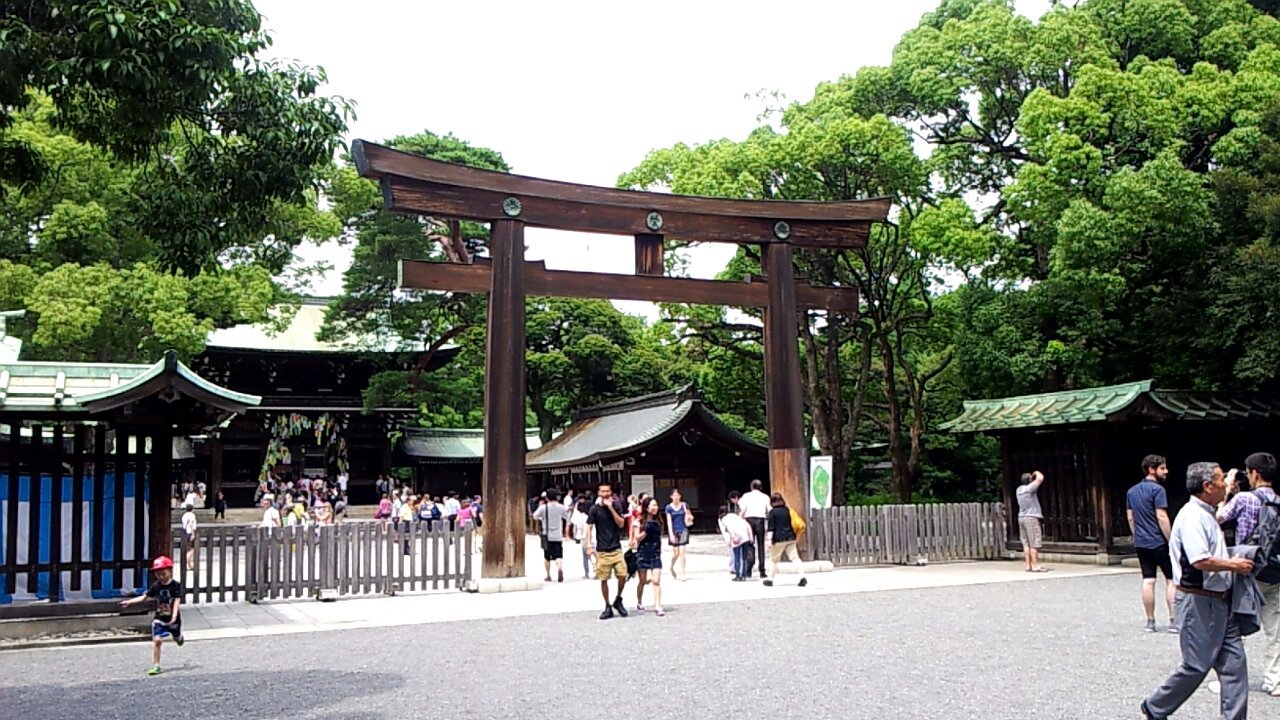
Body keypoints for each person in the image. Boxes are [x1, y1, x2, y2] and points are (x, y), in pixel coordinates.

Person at [1141, 462, 1253, 720]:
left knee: (1235, 666)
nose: (1225, 483)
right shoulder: (1192, 517)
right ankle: (1155, 707)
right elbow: (1199, 560)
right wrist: (1233, 564)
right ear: (1207, 486)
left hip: (1220, 600)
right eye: (1221, 479)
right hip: (1198, 600)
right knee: (1196, 664)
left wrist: (1230, 490)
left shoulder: (1207, 512)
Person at [1219, 452, 1280, 695]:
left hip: (1245, 568)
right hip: (1273, 570)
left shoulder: (1244, 498)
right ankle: (1274, 680)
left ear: (1254, 473)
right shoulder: (1277, 501)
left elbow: (1218, 518)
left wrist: (1227, 491)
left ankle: (1231, 679)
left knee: (1233, 627)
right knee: (1275, 628)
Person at [1128, 454, 1175, 632]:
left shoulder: (1132, 491)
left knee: (1148, 580)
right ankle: (1173, 620)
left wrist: (1137, 535)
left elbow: (1130, 517)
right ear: (1151, 470)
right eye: (1162, 468)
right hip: (1159, 541)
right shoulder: (1158, 490)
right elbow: (1161, 516)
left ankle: (1150, 621)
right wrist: (1171, 539)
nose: (1166, 471)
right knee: (1171, 580)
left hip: (1141, 542)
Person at [120, 555, 185, 676]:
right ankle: (156, 665)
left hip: (173, 618)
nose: (161, 577)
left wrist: (174, 616)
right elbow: (145, 597)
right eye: (158, 574)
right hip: (159, 617)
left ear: (170, 571)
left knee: (176, 637)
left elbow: (177, 601)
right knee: (157, 640)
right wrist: (129, 602)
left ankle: (179, 637)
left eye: (163, 574)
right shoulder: (156, 586)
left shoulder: (175, 586)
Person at [586, 482, 629, 619]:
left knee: (623, 575)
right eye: (602, 491)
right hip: (602, 550)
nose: (605, 494)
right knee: (603, 579)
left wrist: (611, 508)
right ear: (599, 493)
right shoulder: (594, 509)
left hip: (616, 548)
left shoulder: (616, 506)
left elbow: (621, 524)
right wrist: (588, 544)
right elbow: (589, 526)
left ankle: (618, 599)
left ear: (611, 492)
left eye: (607, 491)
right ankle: (607, 605)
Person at [764, 492, 807, 588]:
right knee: (795, 558)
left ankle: (770, 579)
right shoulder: (787, 510)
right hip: (790, 537)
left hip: (778, 539)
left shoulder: (772, 512)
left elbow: (771, 528)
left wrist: (768, 540)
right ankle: (802, 577)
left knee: (773, 560)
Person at [632, 497, 665, 616]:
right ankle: (639, 602)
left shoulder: (658, 521)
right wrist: (646, 531)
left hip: (655, 553)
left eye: (656, 505)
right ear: (646, 508)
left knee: (656, 581)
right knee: (643, 581)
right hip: (643, 553)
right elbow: (637, 538)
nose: (655, 508)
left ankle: (658, 605)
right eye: (652, 505)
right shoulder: (639, 522)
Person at [1015, 471, 1049, 573]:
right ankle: (1034, 565)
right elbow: (1040, 478)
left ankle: (1028, 565)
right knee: (1034, 543)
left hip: (1021, 517)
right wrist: (1035, 472)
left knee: (1026, 543)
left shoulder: (1019, 490)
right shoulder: (1029, 489)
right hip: (1031, 517)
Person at [535, 490, 569, 583]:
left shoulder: (543, 507)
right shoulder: (561, 507)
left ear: (547, 497)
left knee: (547, 557)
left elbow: (535, 516)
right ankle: (559, 568)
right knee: (558, 555)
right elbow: (566, 517)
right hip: (558, 535)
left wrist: (542, 517)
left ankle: (548, 575)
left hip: (547, 536)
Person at [739, 479, 770, 578]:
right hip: (760, 520)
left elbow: (742, 507)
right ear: (760, 487)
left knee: (749, 545)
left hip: (749, 520)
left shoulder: (746, 496)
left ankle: (749, 570)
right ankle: (762, 570)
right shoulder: (765, 497)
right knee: (761, 546)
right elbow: (769, 509)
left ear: (751, 487)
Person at [719, 504, 753, 581]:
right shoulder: (735, 516)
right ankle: (744, 575)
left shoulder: (724, 519)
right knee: (744, 557)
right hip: (745, 536)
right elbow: (747, 524)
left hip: (736, 537)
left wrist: (733, 537)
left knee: (737, 557)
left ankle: (738, 575)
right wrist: (751, 535)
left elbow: (729, 528)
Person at [665, 489, 692, 581]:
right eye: (674, 496)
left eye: (678, 495)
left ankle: (683, 573)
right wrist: (671, 534)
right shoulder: (668, 507)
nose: (676, 497)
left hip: (683, 529)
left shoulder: (684, 505)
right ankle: (671, 566)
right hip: (674, 531)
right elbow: (669, 522)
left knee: (682, 551)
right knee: (676, 553)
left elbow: (690, 516)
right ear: (671, 497)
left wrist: (689, 516)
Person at [571, 496, 592, 579]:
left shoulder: (582, 517)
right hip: (594, 537)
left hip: (584, 537)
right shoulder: (593, 516)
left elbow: (579, 528)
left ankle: (587, 573)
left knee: (585, 557)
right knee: (595, 554)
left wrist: (577, 538)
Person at [180, 502, 197, 570]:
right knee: (192, 549)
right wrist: (193, 533)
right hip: (190, 532)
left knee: (188, 549)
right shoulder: (192, 515)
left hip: (185, 532)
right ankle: (187, 563)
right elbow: (191, 524)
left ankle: (189, 564)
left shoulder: (184, 515)